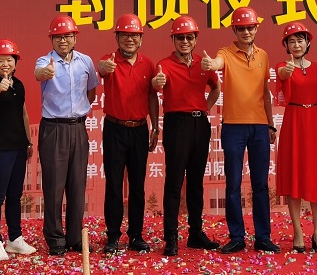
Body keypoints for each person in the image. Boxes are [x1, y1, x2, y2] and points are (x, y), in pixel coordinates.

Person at [201, 6, 280, 254]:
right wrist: (210, 64)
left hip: (259, 126)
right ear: (234, 30)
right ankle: (237, 237)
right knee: (233, 184)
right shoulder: (225, 53)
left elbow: (265, 93)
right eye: (241, 28)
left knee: (260, 185)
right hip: (233, 127)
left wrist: (270, 123)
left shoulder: (263, 55)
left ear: (256, 28)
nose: (246, 32)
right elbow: (217, 63)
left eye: (250, 28)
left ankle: (263, 237)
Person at [152, 15, 221, 257]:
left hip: (199, 124)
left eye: (189, 37)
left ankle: (195, 233)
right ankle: (171, 236)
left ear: (195, 39)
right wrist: (157, 82)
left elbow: (215, 87)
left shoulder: (204, 63)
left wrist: (204, 109)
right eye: (180, 37)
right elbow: (155, 85)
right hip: (176, 124)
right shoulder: (164, 64)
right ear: (173, 39)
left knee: (196, 181)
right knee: (174, 182)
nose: (184, 41)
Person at [34, 16, 98, 255]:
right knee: (54, 186)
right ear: (51, 39)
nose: (63, 40)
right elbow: (39, 74)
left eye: (68, 36)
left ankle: (75, 237)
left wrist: (79, 112)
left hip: (78, 128)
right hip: (54, 128)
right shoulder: (44, 60)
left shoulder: (85, 61)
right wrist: (46, 72)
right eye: (58, 37)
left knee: (77, 185)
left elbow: (91, 92)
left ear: (75, 38)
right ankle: (55, 238)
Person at [97, 13, 159, 254]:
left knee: (137, 185)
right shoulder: (109, 60)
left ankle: (136, 235)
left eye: (134, 35)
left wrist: (155, 126)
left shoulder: (148, 64)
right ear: (117, 38)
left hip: (139, 130)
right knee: (114, 184)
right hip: (114, 129)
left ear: (141, 39)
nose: (129, 39)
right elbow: (101, 69)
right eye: (124, 35)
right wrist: (103, 68)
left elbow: (152, 97)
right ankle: (113, 235)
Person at [275, 23, 317, 254]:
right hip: (294, 123)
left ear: (307, 43)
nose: (297, 45)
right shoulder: (283, 66)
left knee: (316, 179)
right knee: (295, 178)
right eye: (291, 41)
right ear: (286, 45)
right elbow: (281, 76)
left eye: (300, 40)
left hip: (316, 123)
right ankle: (298, 232)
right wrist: (287, 71)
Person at [0, 39, 37, 261]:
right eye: (0, 60)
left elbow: (24, 114)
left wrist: (28, 142)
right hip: (0, 149)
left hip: (19, 148)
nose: (5, 64)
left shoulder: (19, 84)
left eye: (9, 60)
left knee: (15, 196)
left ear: (16, 62)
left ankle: (15, 239)